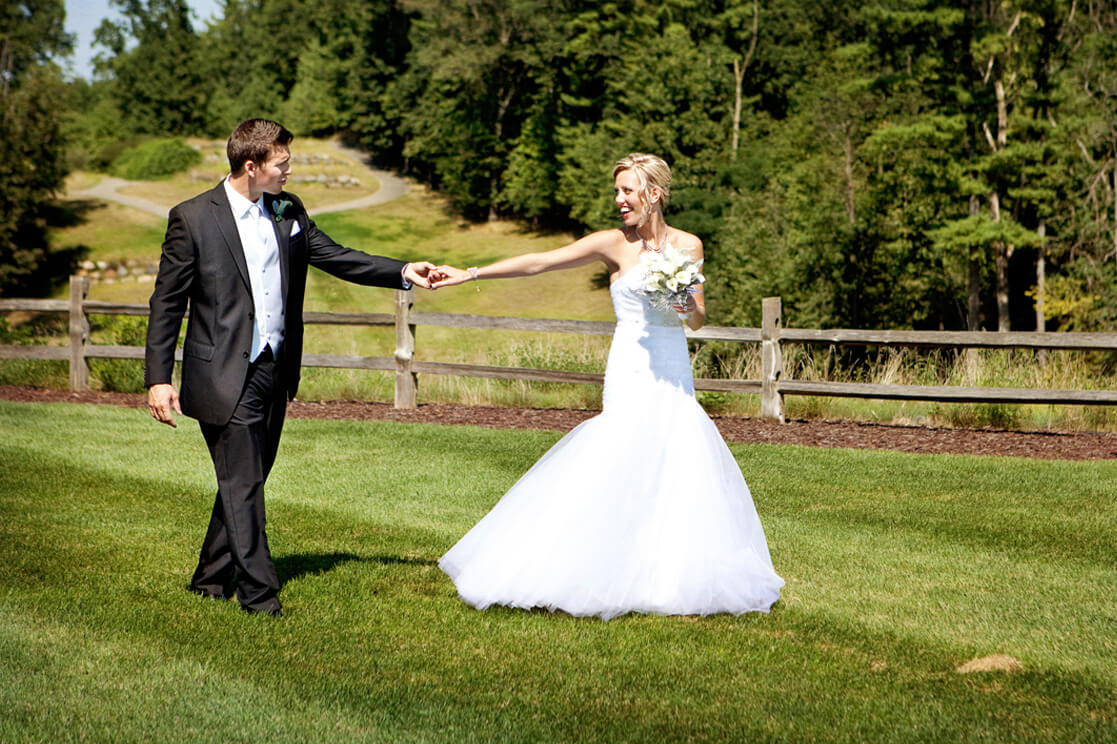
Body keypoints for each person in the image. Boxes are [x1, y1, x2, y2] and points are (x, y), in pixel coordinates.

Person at [430, 153, 784, 619]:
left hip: (672, 366)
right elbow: (541, 262)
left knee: (677, 458)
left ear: (653, 194)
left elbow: (697, 320)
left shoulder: (689, 245)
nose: (619, 200)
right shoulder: (613, 244)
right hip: (629, 365)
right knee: (620, 450)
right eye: (616, 191)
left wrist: (678, 294)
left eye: (626, 191)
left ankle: (667, 577)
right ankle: (590, 568)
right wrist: (470, 273)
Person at [144, 118, 435, 618]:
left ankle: (209, 580)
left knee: (247, 478)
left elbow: (337, 256)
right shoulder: (191, 218)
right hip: (220, 375)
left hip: (274, 372)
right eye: (282, 163)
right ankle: (261, 598)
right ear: (252, 166)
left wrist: (403, 271)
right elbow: (166, 304)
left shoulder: (287, 209)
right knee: (246, 485)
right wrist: (157, 379)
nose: (289, 171)